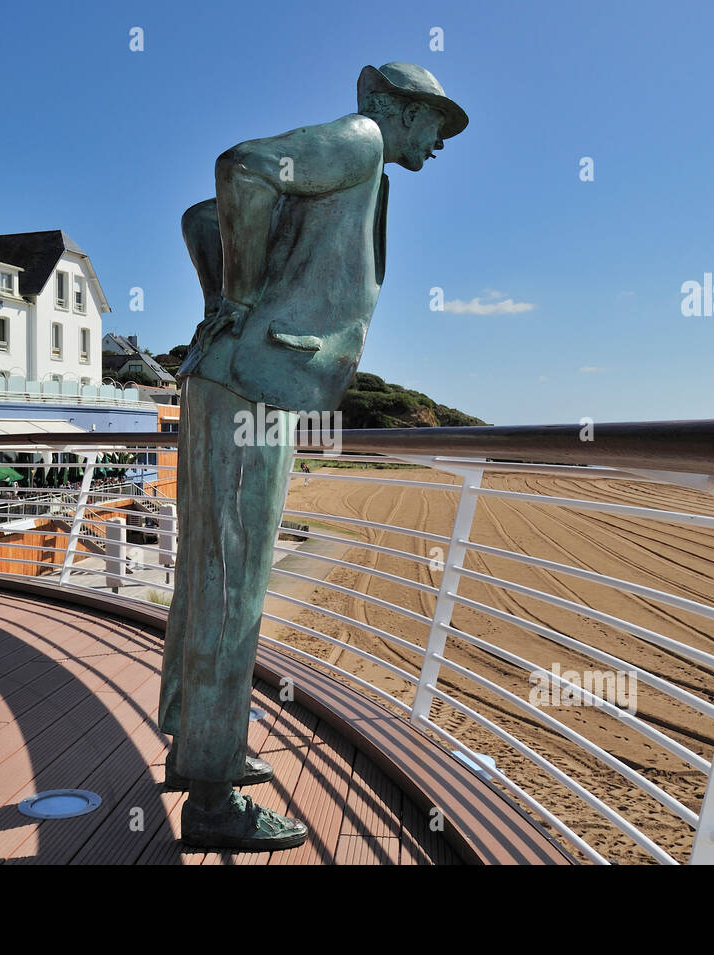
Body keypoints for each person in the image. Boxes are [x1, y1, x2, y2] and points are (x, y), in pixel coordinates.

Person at [160, 63, 468, 851]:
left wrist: (230, 298)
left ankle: (197, 742)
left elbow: (203, 219)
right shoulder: (363, 142)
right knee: (236, 583)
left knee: (210, 572)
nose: (440, 142)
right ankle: (213, 795)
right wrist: (244, 303)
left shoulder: (362, 168)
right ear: (395, 110)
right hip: (250, 387)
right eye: (436, 122)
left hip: (229, 379)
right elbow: (241, 168)